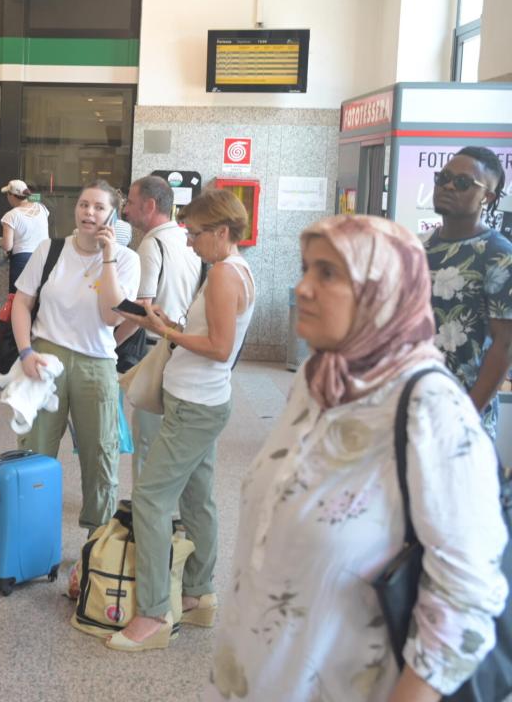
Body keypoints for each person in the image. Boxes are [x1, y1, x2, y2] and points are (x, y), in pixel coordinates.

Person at [208, 214, 507, 700]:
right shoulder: (318, 380)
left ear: (384, 292)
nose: (303, 288)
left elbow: (467, 595)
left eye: (328, 273)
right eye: (307, 269)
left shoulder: (433, 409)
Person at [111, 188, 256, 651]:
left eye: (195, 233)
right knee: (197, 499)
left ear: (222, 232)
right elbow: (211, 338)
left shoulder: (223, 277)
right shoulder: (234, 270)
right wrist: (173, 324)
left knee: (152, 501)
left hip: (195, 405)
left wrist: (164, 330)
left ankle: (153, 614)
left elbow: (218, 349)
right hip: (202, 402)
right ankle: (199, 592)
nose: (189, 242)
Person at [12, 179, 140, 532]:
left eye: (99, 207)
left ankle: (96, 549)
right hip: (44, 358)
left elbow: (112, 316)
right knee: (34, 451)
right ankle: (31, 536)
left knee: (101, 456)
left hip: (96, 364)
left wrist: (108, 257)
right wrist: (25, 352)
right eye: (84, 204)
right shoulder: (49, 250)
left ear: (113, 215)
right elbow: (22, 303)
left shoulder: (128, 260)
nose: (89, 213)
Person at [117, 175, 203, 480]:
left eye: (130, 202)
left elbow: (143, 308)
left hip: (155, 351)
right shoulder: (186, 239)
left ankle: (145, 510)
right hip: (182, 348)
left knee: (147, 440)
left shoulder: (152, 244)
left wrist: (111, 344)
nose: (125, 210)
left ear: (150, 205)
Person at [423, 145, 512, 439]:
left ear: (487, 197)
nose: (448, 185)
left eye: (462, 182)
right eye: (444, 177)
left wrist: (467, 417)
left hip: (464, 416)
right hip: (416, 405)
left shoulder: (499, 255)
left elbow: (505, 345)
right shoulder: (421, 247)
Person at [0, 179, 50, 286]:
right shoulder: (42, 208)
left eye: (7, 194)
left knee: (19, 298)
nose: (7, 197)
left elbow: (7, 246)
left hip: (22, 260)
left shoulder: (11, 216)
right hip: (43, 257)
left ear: (12, 195)